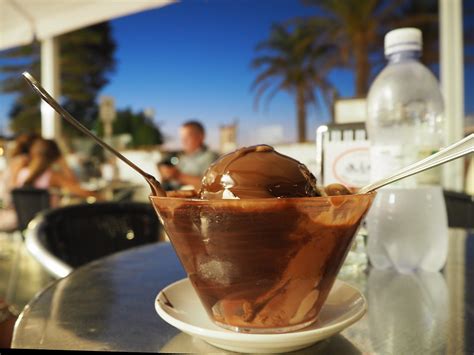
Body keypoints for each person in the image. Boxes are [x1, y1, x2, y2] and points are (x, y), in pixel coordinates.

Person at [15, 138, 99, 201]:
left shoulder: (21, 173)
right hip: (48, 222)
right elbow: (78, 189)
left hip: (29, 223)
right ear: (55, 157)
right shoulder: (52, 176)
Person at [158, 120, 219, 191]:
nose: (183, 141)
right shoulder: (181, 157)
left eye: (187, 137)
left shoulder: (211, 158)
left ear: (201, 137)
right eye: (182, 137)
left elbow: (211, 185)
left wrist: (178, 176)